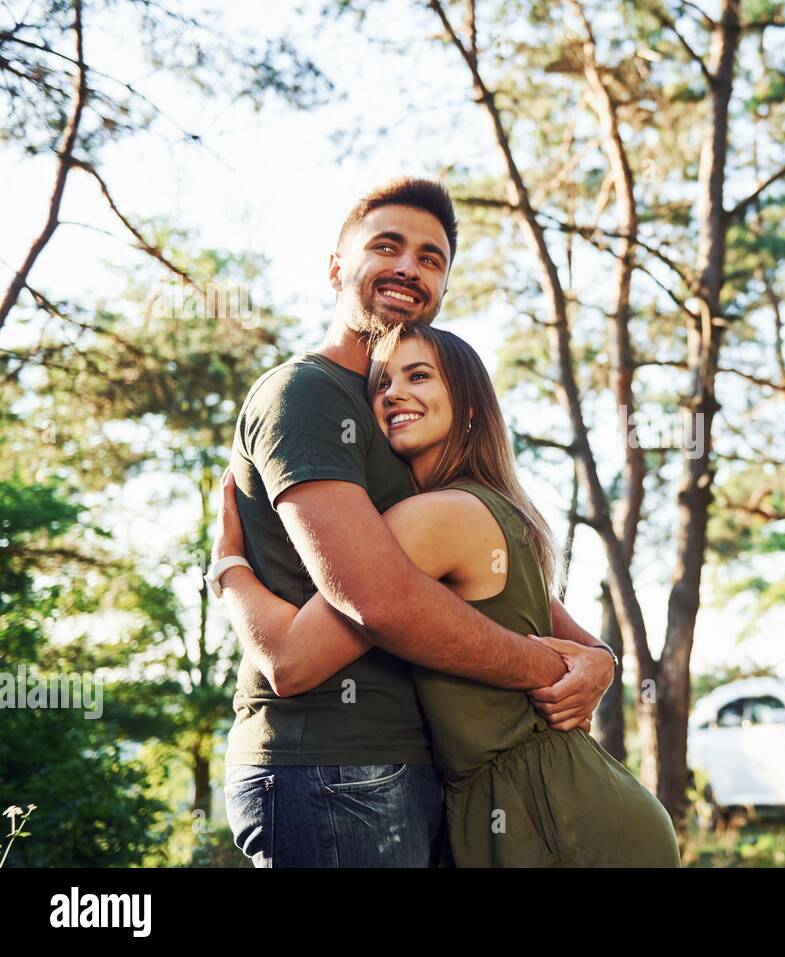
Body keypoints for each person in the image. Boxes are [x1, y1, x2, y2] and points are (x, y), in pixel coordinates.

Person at [213, 177, 616, 867]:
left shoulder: (398, 418)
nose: (409, 266)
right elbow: (378, 596)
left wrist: (598, 660)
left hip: (412, 768)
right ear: (337, 267)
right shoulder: (306, 393)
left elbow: (485, 580)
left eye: (431, 258)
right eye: (387, 246)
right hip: (334, 766)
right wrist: (542, 665)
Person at [214, 322, 680, 866]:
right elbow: (585, 650)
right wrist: (601, 661)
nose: (394, 394)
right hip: (574, 802)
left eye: (419, 376)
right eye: (383, 383)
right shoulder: (495, 510)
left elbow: (291, 660)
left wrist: (227, 567)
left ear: (472, 407)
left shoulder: (436, 518)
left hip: (557, 820)